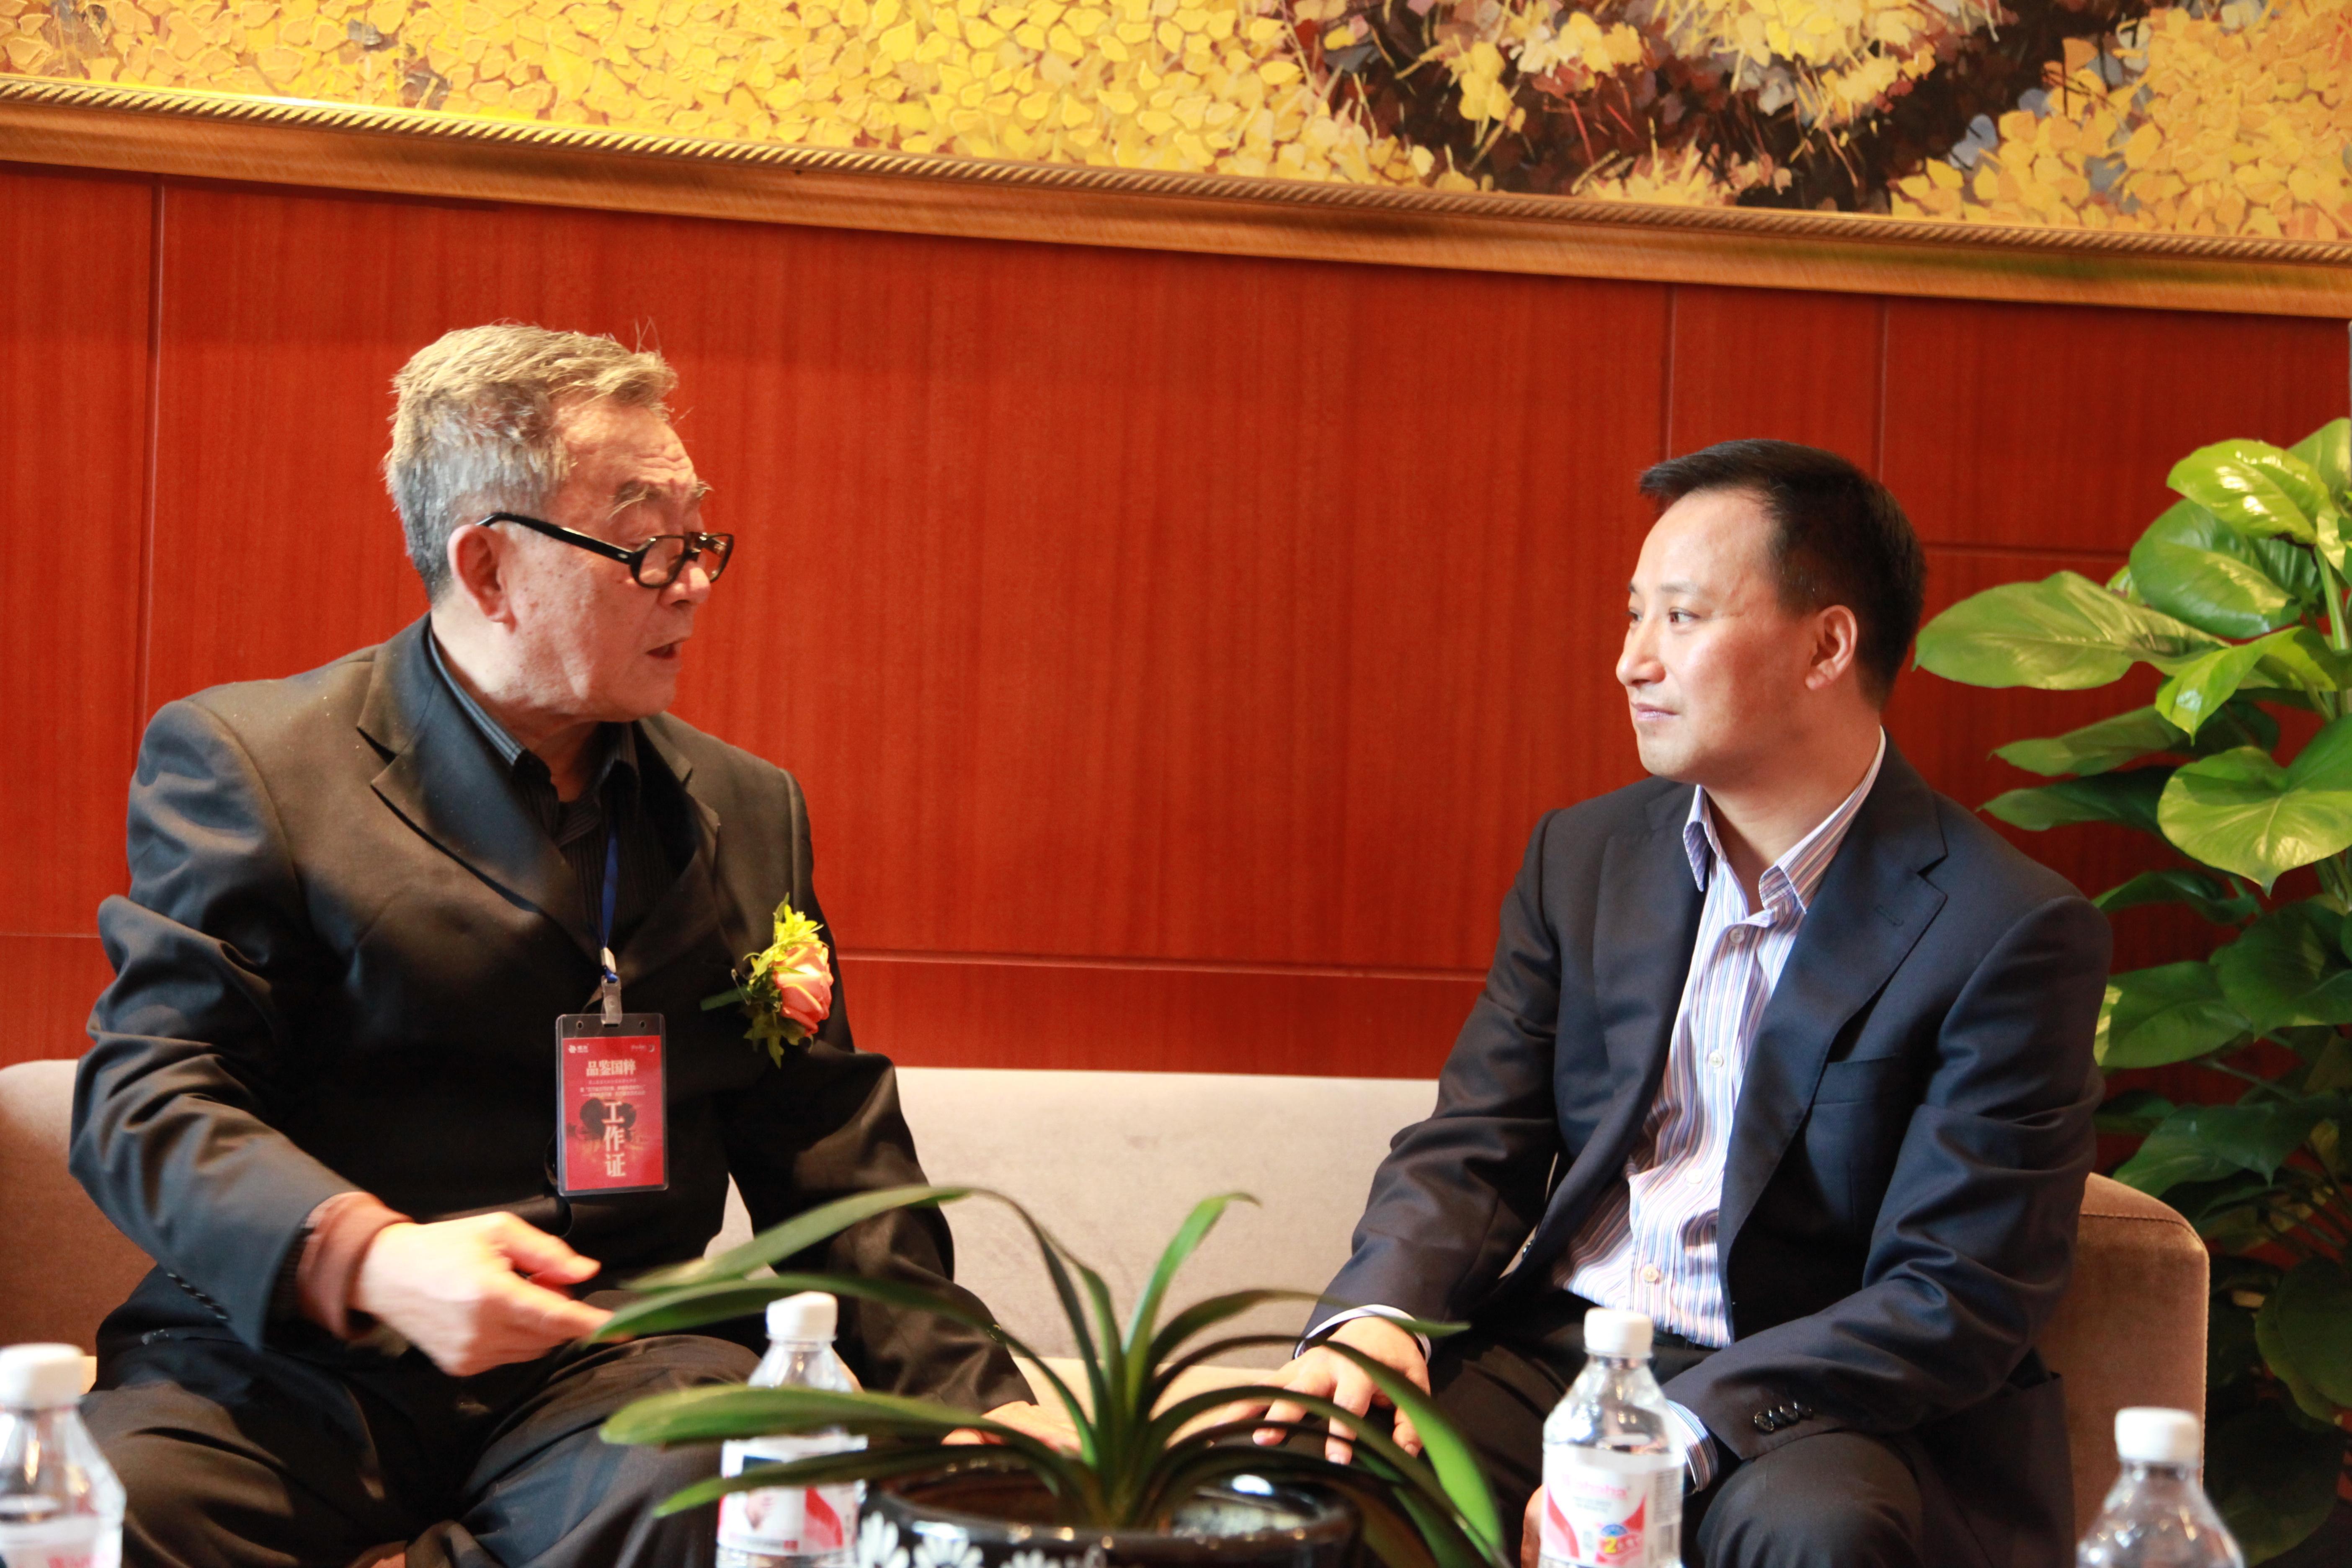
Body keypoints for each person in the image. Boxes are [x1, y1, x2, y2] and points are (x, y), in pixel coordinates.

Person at [73, 325, 1060, 1568]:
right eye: (647, 544)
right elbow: (147, 1097)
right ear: (487, 566)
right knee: (101, 1514)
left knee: (729, 1487)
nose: (691, 584)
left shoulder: (746, 807)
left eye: (699, 539)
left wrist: (973, 1404)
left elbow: (824, 1141)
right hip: (289, 1366)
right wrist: (370, 1255)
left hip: (608, 1364)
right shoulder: (256, 763)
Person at [1249, 441, 2107, 1568]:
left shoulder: (2007, 927)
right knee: (1309, 1480)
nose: (1631, 661)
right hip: (1565, 1349)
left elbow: (1958, 1292)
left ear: (1827, 646)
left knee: (1823, 1537)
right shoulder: (1586, 856)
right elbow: (1478, 1138)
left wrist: (1669, 1434)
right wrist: (1378, 1313)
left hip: (1810, 1398)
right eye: (1633, 614)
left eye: (1683, 617)